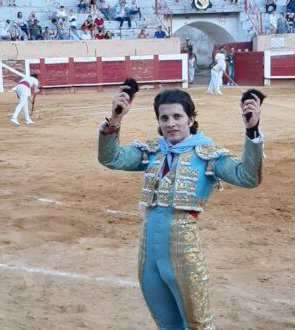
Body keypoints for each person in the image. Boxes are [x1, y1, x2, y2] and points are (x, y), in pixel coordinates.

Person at [97, 88, 265, 330]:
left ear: (191, 119)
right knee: (165, 324)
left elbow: (248, 177)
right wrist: (115, 119)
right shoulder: (153, 152)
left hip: (183, 253)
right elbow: (110, 158)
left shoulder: (207, 154)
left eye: (177, 116)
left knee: (198, 325)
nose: (171, 123)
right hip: (149, 255)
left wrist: (252, 131)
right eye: (164, 118)